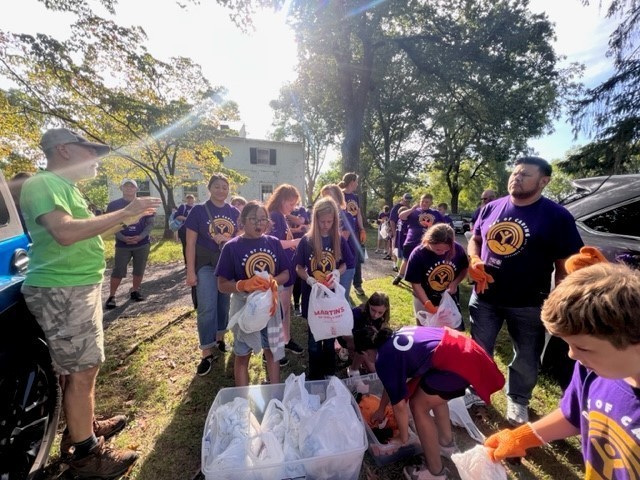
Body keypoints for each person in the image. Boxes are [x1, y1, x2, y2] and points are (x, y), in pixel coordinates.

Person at [20, 128, 160, 477]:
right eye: (90, 151)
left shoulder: (67, 188)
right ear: (64, 150)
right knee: (81, 371)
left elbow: (86, 229)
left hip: (75, 287)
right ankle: (85, 453)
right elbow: (65, 232)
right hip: (63, 290)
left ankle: (84, 427)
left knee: (82, 367)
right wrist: (122, 212)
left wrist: (128, 218)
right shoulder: (42, 184)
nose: (97, 159)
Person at [484, 261, 640, 480]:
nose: (572, 355)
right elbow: (575, 414)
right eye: (569, 345)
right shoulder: (592, 370)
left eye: (582, 347)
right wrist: (523, 437)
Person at [467, 156, 583, 425]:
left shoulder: (557, 217)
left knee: (527, 356)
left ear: (544, 181)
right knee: (479, 349)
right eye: (515, 173)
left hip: (529, 302)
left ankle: (518, 399)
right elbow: (474, 239)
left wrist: (559, 295)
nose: (516, 178)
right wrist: (473, 259)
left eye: (525, 175)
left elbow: (565, 262)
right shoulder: (491, 208)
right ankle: (475, 392)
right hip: (485, 298)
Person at [358, 326, 504, 480]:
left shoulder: (383, 358)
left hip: (460, 363)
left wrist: (403, 437)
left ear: (364, 353)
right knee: (433, 393)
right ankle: (446, 444)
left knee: (418, 406)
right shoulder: (393, 337)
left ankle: (435, 472)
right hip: (465, 351)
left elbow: (399, 406)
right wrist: (381, 408)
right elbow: (391, 383)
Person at [216, 201, 290, 386]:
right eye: (254, 219)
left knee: (271, 351)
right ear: (242, 221)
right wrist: (243, 285)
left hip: (269, 308)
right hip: (244, 309)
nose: (259, 224)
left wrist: (273, 281)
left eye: (263, 219)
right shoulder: (231, 247)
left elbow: (286, 273)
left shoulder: (273, 243)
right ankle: (242, 398)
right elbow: (222, 284)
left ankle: (274, 392)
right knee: (242, 354)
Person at [185, 173, 239, 376]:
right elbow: (190, 243)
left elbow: (239, 238)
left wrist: (227, 239)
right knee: (207, 306)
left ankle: (220, 338)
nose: (221, 190)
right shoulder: (198, 211)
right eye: (217, 186)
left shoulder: (233, 211)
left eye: (225, 187)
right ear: (209, 188)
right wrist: (190, 271)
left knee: (224, 304)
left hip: (226, 265)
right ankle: (206, 351)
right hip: (205, 264)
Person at [294, 196, 354, 380]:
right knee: (314, 338)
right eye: (322, 221)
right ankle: (314, 373)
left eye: (330, 221)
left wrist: (337, 272)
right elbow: (298, 267)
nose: (326, 225)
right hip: (313, 297)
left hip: (331, 297)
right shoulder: (307, 240)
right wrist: (310, 279)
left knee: (329, 335)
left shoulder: (339, 240)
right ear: (315, 220)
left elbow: (348, 263)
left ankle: (329, 371)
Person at [265, 184, 304, 365]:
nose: (293, 207)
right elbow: (274, 243)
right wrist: (297, 241)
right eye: (291, 203)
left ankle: (286, 340)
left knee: (285, 308)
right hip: (279, 270)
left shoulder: (281, 216)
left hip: (286, 268)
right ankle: (274, 348)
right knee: (279, 310)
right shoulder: (274, 216)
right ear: (282, 199)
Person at [405, 223, 468, 330]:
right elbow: (416, 284)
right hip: (423, 297)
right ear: (428, 241)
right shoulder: (418, 254)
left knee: (450, 331)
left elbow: (464, 269)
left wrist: (455, 283)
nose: (442, 253)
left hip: (448, 297)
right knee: (425, 331)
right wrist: (427, 303)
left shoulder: (458, 249)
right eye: (438, 249)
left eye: (446, 250)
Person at [104, 179, 155, 309]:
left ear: (136, 189)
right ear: (121, 188)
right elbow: (111, 224)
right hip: (122, 245)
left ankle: (135, 290)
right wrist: (122, 237)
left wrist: (141, 236)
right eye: (126, 186)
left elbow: (150, 224)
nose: (129, 189)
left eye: (131, 186)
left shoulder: (144, 204)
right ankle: (112, 296)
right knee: (118, 270)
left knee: (139, 269)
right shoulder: (114, 205)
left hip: (142, 243)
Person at [393, 193, 444, 286]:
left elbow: (442, 225)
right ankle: (399, 276)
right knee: (406, 260)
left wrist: (434, 230)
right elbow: (401, 216)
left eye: (426, 202)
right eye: (422, 201)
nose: (424, 203)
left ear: (431, 203)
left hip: (427, 242)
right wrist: (412, 209)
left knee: (423, 261)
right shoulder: (414, 211)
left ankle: (422, 280)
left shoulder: (435, 213)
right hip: (411, 241)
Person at [338, 291, 390, 375]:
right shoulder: (356, 314)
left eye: (380, 312)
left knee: (373, 364)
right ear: (368, 304)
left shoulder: (382, 319)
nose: (376, 315)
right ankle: (353, 367)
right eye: (373, 310)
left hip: (366, 341)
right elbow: (346, 336)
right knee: (372, 369)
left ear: (386, 310)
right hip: (350, 339)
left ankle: (359, 364)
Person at [320, 184, 356, 299]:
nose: (326, 200)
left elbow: (342, 239)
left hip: (345, 263)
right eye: (324, 197)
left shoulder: (346, 216)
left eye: (329, 196)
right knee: (330, 298)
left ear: (338, 197)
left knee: (342, 299)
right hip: (330, 263)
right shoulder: (323, 217)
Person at [341, 172, 367, 296]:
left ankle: (357, 284)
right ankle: (344, 286)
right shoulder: (340, 194)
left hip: (355, 232)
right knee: (344, 257)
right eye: (356, 181)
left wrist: (362, 229)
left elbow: (358, 214)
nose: (357, 184)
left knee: (356, 258)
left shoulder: (355, 197)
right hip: (344, 232)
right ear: (352, 181)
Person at [288, 203, 310, 316]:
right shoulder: (280, 213)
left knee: (298, 277)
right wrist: (295, 230)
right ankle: (288, 303)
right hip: (287, 249)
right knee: (288, 278)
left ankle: (297, 304)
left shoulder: (300, 209)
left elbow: (301, 222)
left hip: (300, 247)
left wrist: (287, 215)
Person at [389, 193, 413, 264]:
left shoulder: (409, 208)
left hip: (405, 232)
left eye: (409, 201)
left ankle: (402, 264)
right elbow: (392, 220)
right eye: (406, 201)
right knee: (395, 248)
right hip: (397, 230)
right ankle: (395, 264)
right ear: (403, 199)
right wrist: (394, 233)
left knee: (403, 249)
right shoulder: (397, 207)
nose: (407, 202)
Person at [175, 194, 196, 263]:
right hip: (183, 230)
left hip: (194, 231)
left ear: (194, 199)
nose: (190, 200)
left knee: (194, 246)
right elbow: (177, 216)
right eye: (188, 198)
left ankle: (194, 262)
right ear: (186, 199)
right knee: (186, 246)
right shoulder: (183, 207)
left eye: (191, 198)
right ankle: (187, 263)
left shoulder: (196, 208)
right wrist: (187, 219)